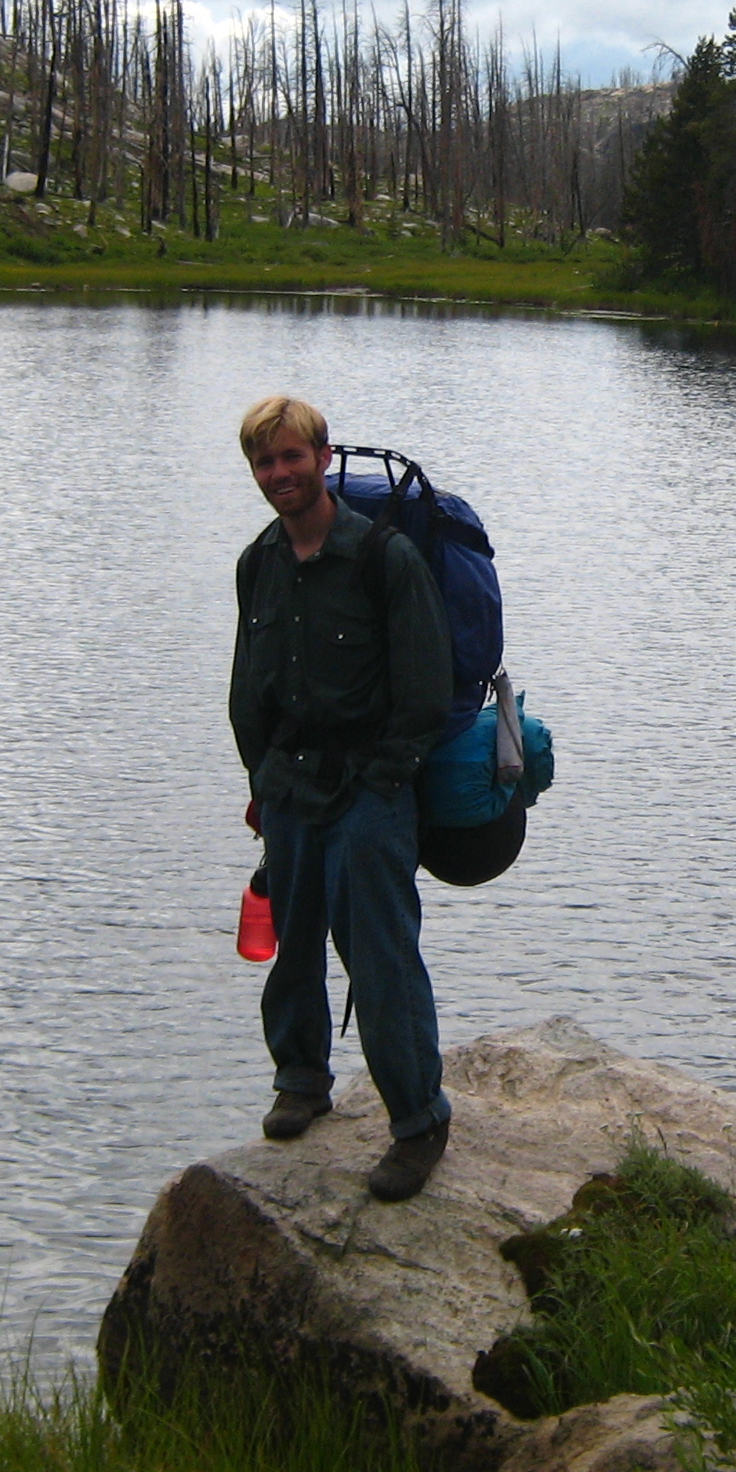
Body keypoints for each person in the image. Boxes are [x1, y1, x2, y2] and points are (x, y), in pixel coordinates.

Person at [228, 393, 454, 1201]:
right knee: (293, 944)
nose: (280, 473)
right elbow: (246, 689)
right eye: (265, 461)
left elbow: (426, 693)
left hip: (372, 788)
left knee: (381, 959)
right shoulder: (259, 561)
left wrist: (384, 779)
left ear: (323, 458)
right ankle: (301, 1078)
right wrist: (264, 782)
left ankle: (419, 1120)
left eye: (293, 457)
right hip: (289, 786)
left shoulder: (384, 558)